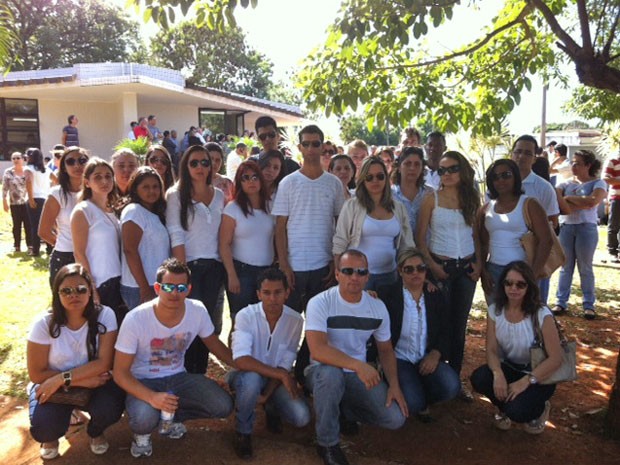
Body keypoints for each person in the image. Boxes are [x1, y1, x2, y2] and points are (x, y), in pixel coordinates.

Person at [113, 258, 234, 458]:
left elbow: (215, 345)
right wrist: (151, 397)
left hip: (178, 377)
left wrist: (244, 365)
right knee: (144, 419)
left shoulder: (197, 310)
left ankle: (170, 419)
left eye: (180, 287)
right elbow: (120, 373)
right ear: (158, 288)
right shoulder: (136, 319)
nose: (174, 293)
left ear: (189, 288)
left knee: (222, 405)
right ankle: (142, 433)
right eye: (168, 287)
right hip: (143, 380)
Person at [305, 250, 407, 465]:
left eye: (361, 272)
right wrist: (358, 365)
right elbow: (318, 350)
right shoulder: (319, 302)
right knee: (331, 375)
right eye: (348, 271)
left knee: (394, 419)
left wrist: (394, 384)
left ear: (367, 276)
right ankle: (327, 443)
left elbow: (386, 350)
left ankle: (343, 409)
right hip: (321, 371)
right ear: (337, 274)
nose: (354, 277)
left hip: (356, 374)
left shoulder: (377, 307)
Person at [27, 264, 125, 459]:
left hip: (95, 382)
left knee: (110, 409)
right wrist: (71, 380)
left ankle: (95, 431)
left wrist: (64, 378)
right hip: (61, 384)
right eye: (66, 291)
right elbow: (37, 374)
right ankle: (52, 436)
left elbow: (104, 363)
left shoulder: (105, 315)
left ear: (90, 291)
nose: (74, 295)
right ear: (57, 293)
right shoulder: (43, 323)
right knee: (43, 429)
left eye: (81, 289)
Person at [416, 151, 481, 399]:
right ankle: (433, 378)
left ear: (462, 170)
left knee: (459, 325)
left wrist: (479, 265)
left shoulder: (471, 198)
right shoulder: (430, 199)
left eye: (452, 168)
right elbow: (420, 239)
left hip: (465, 270)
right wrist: (432, 266)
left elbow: (477, 236)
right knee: (437, 323)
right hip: (440, 268)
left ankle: (454, 378)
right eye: (442, 170)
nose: (447, 174)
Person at [470, 261, 562, 434]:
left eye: (520, 284)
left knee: (517, 411)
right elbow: (491, 349)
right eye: (508, 283)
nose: (514, 288)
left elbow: (556, 358)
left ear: (529, 287)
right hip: (510, 367)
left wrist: (526, 381)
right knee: (480, 378)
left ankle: (538, 410)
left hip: (539, 374)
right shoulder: (495, 311)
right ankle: (504, 407)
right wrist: (498, 374)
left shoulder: (541, 314)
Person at [228, 268, 310, 459]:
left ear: (287, 293)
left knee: (301, 417)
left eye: (278, 292)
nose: (272, 298)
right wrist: (281, 375)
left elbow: (285, 363)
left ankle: (271, 406)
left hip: (273, 379)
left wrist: (268, 392)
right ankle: (243, 431)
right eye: (266, 293)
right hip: (245, 376)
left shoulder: (296, 320)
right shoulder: (245, 315)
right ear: (258, 294)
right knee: (252, 381)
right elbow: (241, 360)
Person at [377, 248, 460, 417]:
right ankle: (412, 394)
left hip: (425, 356)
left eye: (421, 268)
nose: (416, 273)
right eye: (409, 269)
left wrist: (436, 354)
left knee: (451, 386)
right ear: (400, 271)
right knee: (413, 403)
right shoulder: (387, 295)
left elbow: (446, 329)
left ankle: (422, 395)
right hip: (399, 358)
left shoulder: (435, 295)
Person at [166, 145, 226, 374]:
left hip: (215, 268)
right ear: (185, 166)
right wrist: (183, 274)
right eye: (194, 163)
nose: (200, 167)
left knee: (206, 324)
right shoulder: (175, 194)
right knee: (187, 323)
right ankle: (184, 372)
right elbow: (176, 233)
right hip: (190, 267)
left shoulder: (219, 195)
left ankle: (199, 372)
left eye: (205, 162)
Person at [272, 125, 345, 312]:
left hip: (324, 266)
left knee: (320, 324)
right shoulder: (288, 183)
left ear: (323, 146)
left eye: (315, 144)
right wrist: (284, 264)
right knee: (290, 324)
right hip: (294, 267)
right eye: (306, 144)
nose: (311, 149)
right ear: (299, 148)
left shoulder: (334, 183)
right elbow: (280, 228)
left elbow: (340, 226)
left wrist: (334, 260)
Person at [333, 156, 414, 290]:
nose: (375, 181)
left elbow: (407, 243)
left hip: (390, 275)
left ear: (386, 178)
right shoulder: (352, 205)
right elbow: (340, 242)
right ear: (363, 180)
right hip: (357, 277)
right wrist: (340, 275)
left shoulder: (398, 207)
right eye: (369, 177)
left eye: (380, 176)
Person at [479, 159, 552, 302]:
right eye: (495, 177)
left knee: (522, 318)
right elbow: (482, 243)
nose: (500, 180)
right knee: (496, 317)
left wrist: (532, 275)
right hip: (493, 271)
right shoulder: (486, 208)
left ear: (515, 176)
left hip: (521, 271)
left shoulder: (529, 204)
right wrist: (483, 272)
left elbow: (546, 241)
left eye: (506, 175)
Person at [554, 150, 607, 319]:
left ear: (588, 165)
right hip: (567, 228)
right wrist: (575, 202)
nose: (573, 166)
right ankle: (561, 302)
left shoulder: (598, 183)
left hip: (586, 228)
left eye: (578, 163)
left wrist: (568, 199)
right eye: (573, 163)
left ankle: (588, 305)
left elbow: (592, 202)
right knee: (565, 267)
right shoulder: (564, 184)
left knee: (585, 267)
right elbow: (558, 202)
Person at [71, 158, 125, 323]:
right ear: (87, 182)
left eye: (108, 176)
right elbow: (79, 253)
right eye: (98, 177)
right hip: (100, 283)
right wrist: (91, 287)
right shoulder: (83, 211)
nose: (104, 181)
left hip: (119, 280)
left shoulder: (113, 210)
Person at [219, 160, 275, 320]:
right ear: (239, 182)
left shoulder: (271, 206)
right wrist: (232, 275)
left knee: (263, 321)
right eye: (245, 178)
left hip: (267, 272)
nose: (251, 181)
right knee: (240, 322)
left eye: (255, 177)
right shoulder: (233, 208)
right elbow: (224, 244)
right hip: (241, 272)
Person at [511, 135, 560, 304]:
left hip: (535, 259)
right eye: (517, 152)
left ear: (534, 158)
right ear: (511, 154)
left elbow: (553, 222)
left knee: (534, 310)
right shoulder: (499, 183)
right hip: (505, 258)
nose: (521, 156)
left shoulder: (544, 188)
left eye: (527, 153)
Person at [120, 167, 171, 310]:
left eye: (155, 187)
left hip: (157, 284)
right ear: (135, 189)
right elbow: (130, 250)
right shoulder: (134, 211)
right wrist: (144, 287)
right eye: (146, 187)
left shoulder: (156, 213)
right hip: (139, 287)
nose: (152, 191)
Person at [39, 147, 89, 286]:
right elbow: (43, 231)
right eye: (70, 161)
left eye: (82, 160)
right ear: (64, 167)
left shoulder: (95, 192)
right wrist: (62, 243)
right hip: (66, 255)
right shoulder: (57, 194)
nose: (77, 165)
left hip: (94, 254)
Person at [391, 146, 433, 236]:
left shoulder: (430, 193)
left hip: (426, 248)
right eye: (407, 164)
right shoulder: (389, 195)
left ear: (422, 168)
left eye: (417, 164)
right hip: (399, 248)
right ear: (399, 167)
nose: (412, 168)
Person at [2, 151, 32, 253]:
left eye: (18, 158)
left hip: (27, 202)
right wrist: (4, 201)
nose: (15, 160)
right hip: (14, 203)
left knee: (28, 224)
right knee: (17, 225)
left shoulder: (28, 171)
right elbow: (5, 188)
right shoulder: (8, 172)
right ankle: (17, 246)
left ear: (23, 159)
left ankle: (30, 245)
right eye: (13, 158)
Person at [24, 147, 51, 257]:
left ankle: (35, 250)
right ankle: (50, 248)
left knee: (35, 226)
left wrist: (30, 199)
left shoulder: (28, 168)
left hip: (34, 198)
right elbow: (56, 180)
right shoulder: (46, 170)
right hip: (45, 198)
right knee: (48, 224)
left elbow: (28, 181)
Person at [602, 151, 620, 263]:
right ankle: (612, 252)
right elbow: (605, 178)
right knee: (614, 225)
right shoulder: (613, 160)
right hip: (616, 197)